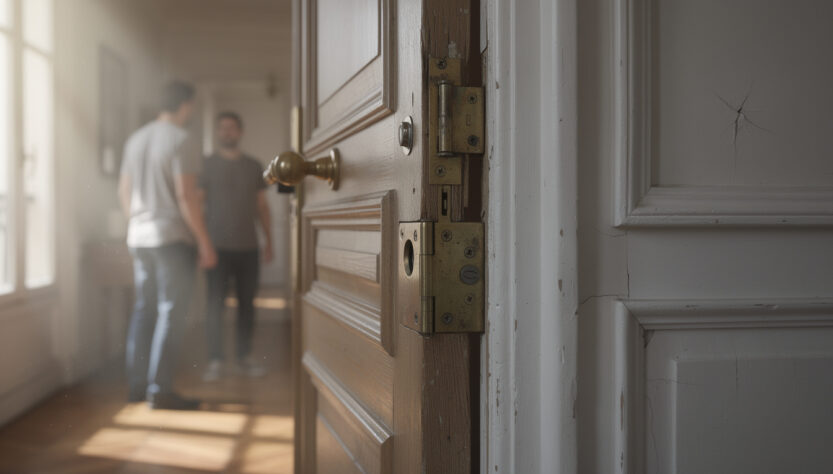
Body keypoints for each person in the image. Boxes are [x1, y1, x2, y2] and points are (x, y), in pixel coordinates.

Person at [118, 81, 217, 410]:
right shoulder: (181, 139)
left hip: (139, 236)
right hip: (171, 237)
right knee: (171, 312)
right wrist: (204, 242)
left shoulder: (136, 138)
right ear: (186, 105)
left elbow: (125, 192)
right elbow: (185, 195)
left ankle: (137, 386)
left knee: (144, 309)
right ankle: (160, 389)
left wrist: (136, 223)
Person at [200, 112, 273, 381]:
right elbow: (198, 203)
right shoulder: (206, 165)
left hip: (248, 247)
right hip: (216, 246)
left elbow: (262, 206)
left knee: (247, 304)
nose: (227, 132)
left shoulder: (254, 166)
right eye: (222, 128)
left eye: (231, 128)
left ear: (240, 132)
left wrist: (269, 241)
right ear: (218, 133)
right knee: (214, 305)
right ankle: (215, 361)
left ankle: (244, 357)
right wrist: (201, 242)